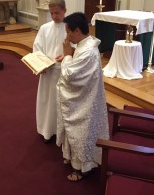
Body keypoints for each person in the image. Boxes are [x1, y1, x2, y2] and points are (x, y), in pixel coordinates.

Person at [56, 12, 109, 181]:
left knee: (82, 132)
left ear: (77, 31)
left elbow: (71, 76)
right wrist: (71, 54)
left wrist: (67, 56)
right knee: (78, 131)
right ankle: (73, 157)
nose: (67, 35)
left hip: (84, 104)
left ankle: (82, 168)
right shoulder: (84, 45)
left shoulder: (88, 52)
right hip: (85, 97)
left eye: (68, 31)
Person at [33, 0, 67, 143]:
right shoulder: (44, 28)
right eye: (51, 13)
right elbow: (37, 48)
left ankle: (61, 132)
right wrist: (40, 64)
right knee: (47, 101)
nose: (54, 16)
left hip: (64, 72)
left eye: (57, 13)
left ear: (64, 11)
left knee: (60, 103)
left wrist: (66, 55)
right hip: (47, 72)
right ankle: (46, 130)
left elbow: (76, 48)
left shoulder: (70, 28)